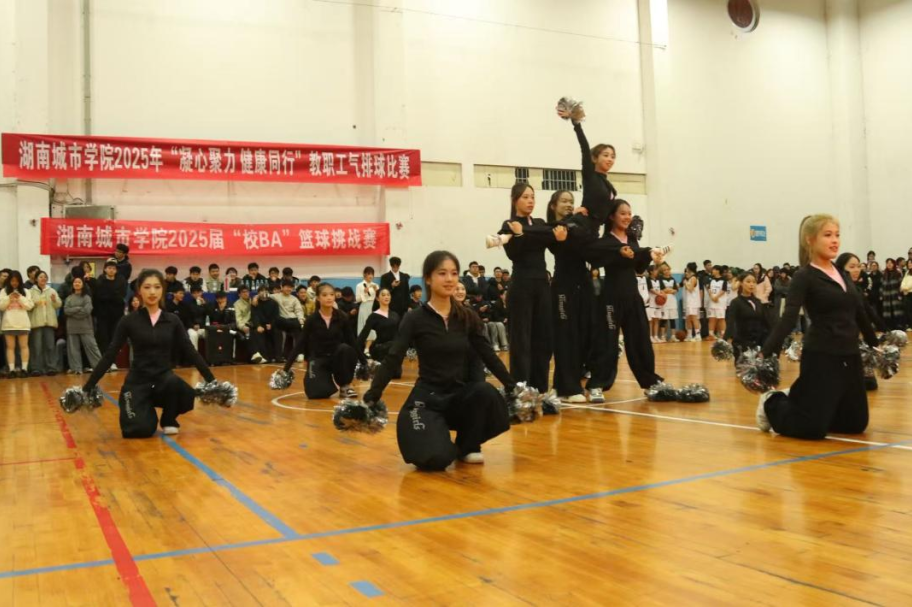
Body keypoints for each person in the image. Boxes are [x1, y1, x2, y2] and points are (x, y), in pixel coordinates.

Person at [364, 251, 517, 470]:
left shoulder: (467, 316)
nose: (449, 279)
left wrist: (513, 388)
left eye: (454, 273)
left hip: (459, 398)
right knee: (436, 459)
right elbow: (392, 359)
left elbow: (488, 355)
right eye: (442, 273)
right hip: (427, 400)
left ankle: (467, 444)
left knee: (486, 393)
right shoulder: (414, 318)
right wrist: (371, 397)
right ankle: (436, 434)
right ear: (428, 278)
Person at [756, 215, 879, 440]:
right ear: (810, 240)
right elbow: (788, 318)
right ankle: (772, 402)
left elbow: (859, 312)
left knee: (855, 424)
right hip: (822, 355)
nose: (835, 240)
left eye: (837, 235)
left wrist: (875, 344)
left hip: (850, 355)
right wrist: (766, 351)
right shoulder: (804, 276)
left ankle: (802, 398)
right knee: (811, 430)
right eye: (828, 235)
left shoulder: (842, 274)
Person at [81, 269, 220, 437]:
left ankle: (168, 418)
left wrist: (213, 382)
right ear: (139, 290)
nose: (152, 292)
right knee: (137, 430)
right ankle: (144, 408)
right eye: (147, 287)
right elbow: (110, 354)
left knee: (182, 391)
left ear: (163, 290)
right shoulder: (128, 321)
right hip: (137, 382)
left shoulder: (172, 320)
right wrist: (87, 387)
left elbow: (191, 352)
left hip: (164, 380)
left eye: (157, 287)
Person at [499, 183, 564, 410]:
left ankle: (540, 390)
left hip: (542, 285)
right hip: (521, 286)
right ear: (515, 199)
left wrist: (526, 233)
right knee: (521, 340)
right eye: (525, 197)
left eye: (532, 197)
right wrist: (517, 234)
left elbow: (548, 239)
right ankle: (520, 390)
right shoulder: (508, 225)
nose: (530, 201)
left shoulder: (539, 224)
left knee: (544, 339)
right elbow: (514, 253)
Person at [592, 200, 666, 391]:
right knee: (608, 342)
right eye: (623, 213)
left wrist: (651, 256)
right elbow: (601, 256)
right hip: (611, 298)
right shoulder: (605, 242)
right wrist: (624, 253)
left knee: (640, 340)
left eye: (629, 213)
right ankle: (598, 384)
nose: (627, 217)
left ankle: (650, 382)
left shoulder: (632, 240)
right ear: (612, 216)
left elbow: (639, 267)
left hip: (632, 296)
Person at [546, 189, 601, 404]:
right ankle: (568, 387)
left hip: (582, 283)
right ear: (553, 205)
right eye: (564, 201)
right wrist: (576, 218)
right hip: (563, 286)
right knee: (565, 336)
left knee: (582, 335)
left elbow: (589, 236)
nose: (569, 204)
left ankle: (563, 385)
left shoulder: (577, 224)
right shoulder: (554, 227)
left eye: (571, 201)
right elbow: (562, 233)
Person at [284, 282, 361, 400]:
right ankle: (325, 379)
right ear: (318, 298)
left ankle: (345, 385)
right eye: (324, 295)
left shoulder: (342, 317)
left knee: (345, 349)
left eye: (331, 294)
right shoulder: (311, 320)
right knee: (315, 393)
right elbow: (300, 343)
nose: (329, 298)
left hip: (337, 357)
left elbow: (352, 341)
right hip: (318, 358)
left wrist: (365, 363)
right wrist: (285, 370)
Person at [836, 252, 883, 391]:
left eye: (858, 266)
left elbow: (869, 312)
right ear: (841, 269)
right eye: (852, 267)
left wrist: (886, 330)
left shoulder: (856, 289)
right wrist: (874, 342)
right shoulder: (839, 290)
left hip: (852, 337)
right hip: (838, 338)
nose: (856, 270)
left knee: (868, 383)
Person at [64, 276, 103, 375]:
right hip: (72, 327)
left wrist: (73, 312)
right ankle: (76, 368)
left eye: (79, 282)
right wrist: (78, 309)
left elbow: (86, 311)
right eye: (75, 282)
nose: (77, 284)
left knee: (92, 347)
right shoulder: (69, 298)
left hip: (85, 327)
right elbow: (66, 310)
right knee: (73, 349)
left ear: (83, 285)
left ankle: (99, 367)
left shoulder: (86, 297)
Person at [728, 272, 770, 364]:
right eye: (748, 281)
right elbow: (730, 323)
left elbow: (765, 323)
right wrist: (725, 340)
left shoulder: (758, 302)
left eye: (754, 282)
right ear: (741, 283)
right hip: (741, 343)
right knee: (745, 370)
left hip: (758, 343)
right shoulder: (736, 302)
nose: (751, 284)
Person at [0, 271, 35, 378]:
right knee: (10, 347)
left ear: (20, 281)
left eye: (16, 281)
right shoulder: (4, 291)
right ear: (9, 281)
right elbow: (1, 306)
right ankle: (11, 370)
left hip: (23, 323)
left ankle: (24, 369)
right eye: (12, 281)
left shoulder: (26, 291)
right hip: (8, 323)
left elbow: (29, 306)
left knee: (24, 346)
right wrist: (9, 298)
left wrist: (19, 297)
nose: (14, 283)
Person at [27, 271, 61, 376]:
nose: (43, 279)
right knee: (36, 347)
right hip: (36, 323)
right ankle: (36, 368)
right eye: (41, 277)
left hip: (49, 323)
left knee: (50, 346)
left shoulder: (52, 290)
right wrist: (35, 303)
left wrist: (54, 300)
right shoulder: (30, 291)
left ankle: (51, 367)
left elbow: (58, 305)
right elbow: (28, 306)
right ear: (36, 279)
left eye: (45, 277)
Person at [357, 287, 401, 366]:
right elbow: (363, 335)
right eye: (383, 295)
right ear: (377, 298)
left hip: (394, 351)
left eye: (388, 295)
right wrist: (357, 353)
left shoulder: (395, 315)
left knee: (396, 372)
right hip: (381, 350)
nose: (386, 297)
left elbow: (400, 333)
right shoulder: (373, 316)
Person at [94, 259, 128, 357]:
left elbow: (121, 295)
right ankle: (104, 358)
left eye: (113, 268)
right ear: (105, 269)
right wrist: (113, 294)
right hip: (103, 315)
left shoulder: (121, 280)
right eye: (109, 268)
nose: (111, 270)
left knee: (114, 337)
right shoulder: (100, 280)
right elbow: (99, 296)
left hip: (117, 314)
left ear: (116, 270)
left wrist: (109, 295)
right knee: (103, 337)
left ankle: (113, 359)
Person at [269, 278, 305, 362]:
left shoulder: (294, 299)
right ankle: (279, 356)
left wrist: (301, 320)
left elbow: (299, 310)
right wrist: (256, 297)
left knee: (298, 328)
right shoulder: (276, 296)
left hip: (292, 320)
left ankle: (299, 353)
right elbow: (264, 295)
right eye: (287, 287)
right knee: (278, 325)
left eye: (291, 287)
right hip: (282, 320)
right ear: (282, 287)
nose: (289, 289)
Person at [249, 286, 279, 363]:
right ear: (258, 293)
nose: (264, 292)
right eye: (261, 291)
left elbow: (276, 316)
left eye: (266, 290)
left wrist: (271, 324)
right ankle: (261, 356)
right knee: (255, 332)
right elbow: (254, 315)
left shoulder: (274, 303)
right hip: (260, 325)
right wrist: (258, 325)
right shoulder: (255, 303)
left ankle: (277, 356)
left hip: (271, 324)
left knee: (277, 331)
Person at [706, 266, 728, 339]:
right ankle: (711, 334)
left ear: (718, 271)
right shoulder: (711, 279)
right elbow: (709, 289)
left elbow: (723, 290)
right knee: (711, 318)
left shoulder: (724, 280)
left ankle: (723, 334)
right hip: (712, 301)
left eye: (714, 270)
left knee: (721, 319)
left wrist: (716, 297)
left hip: (720, 302)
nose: (712, 271)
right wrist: (712, 297)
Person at [881, 258, 904, 330]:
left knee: (897, 312)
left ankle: (898, 326)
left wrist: (900, 294)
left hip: (895, 296)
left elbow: (901, 285)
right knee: (888, 313)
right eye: (887, 263)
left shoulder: (897, 273)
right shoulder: (884, 274)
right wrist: (881, 295)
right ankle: (889, 327)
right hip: (886, 296)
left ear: (894, 264)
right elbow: (881, 286)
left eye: (890, 263)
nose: (889, 264)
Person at [356, 267, 380, 335]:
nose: (371, 276)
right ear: (364, 274)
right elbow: (357, 300)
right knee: (364, 325)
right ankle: (363, 340)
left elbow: (379, 298)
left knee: (374, 324)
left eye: (372, 274)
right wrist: (364, 293)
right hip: (364, 306)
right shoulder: (359, 285)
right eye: (369, 274)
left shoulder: (376, 285)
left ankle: (373, 340)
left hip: (374, 306)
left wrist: (376, 291)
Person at [682, 263, 702, 341]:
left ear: (689, 268)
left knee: (694, 318)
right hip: (689, 301)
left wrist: (685, 283)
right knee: (688, 318)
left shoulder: (693, 278)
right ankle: (689, 335)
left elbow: (690, 289)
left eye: (687, 268)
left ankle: (698, 335)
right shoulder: (689, 278)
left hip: (694, 302)